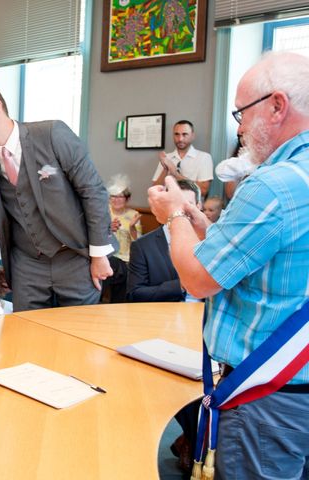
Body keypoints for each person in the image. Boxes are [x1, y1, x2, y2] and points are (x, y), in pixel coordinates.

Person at [148, 51, 309, 478]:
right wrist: (200, 221)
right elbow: (260, 252)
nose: (237, 127)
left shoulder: (274, 185)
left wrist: (175, 215)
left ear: (277, 106)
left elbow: (200, 280)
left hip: (267, 392)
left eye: (241, 112)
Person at [0, 84, 114, 312]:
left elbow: (92, 190)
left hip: (73, 255)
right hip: (27, 262)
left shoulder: (52, 134)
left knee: (79, 332)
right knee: (27, 334)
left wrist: (99, 255)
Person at [127, 180, 201, 303]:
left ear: (198, 206)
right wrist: (181, 286)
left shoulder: (210, 240)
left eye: (189, 204)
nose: (182, 211)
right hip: (163, 317)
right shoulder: (142, 246)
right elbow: (135, 294)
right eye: (176, 205)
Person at [102, 174, 141, 303]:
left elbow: (138, 243)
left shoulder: (133, 215)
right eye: (113, 196)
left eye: (120, 196)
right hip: (105, 258)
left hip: (125, 260)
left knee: (123, 272)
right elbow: (93, 235)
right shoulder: (103, 212)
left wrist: (132, 228)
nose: (116, 199)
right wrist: (108, 229)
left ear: (127, 199)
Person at [151, 120, 214, 198]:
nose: (180, 139)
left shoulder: (204, 157)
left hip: (191, 208)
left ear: (193, 135)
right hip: (167, 206)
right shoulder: (167, 158)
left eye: (185, 134)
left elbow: (203, 190)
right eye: (177, 134)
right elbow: (155, 190)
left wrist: (176, 174)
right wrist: (165, 169)